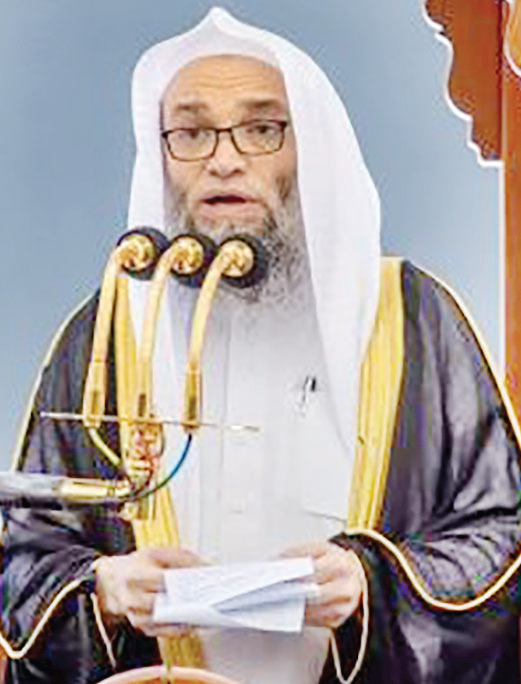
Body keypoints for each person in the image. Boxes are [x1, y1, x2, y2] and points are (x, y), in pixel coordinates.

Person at [2, 7, 521, 684]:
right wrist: (105, 587)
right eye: (191, 132)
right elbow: (24, 550)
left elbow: (502, 533)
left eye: (261, 129)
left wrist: (369, 582)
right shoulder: (109, 331)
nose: (224, 159)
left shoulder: (410, 316)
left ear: (310, 149)